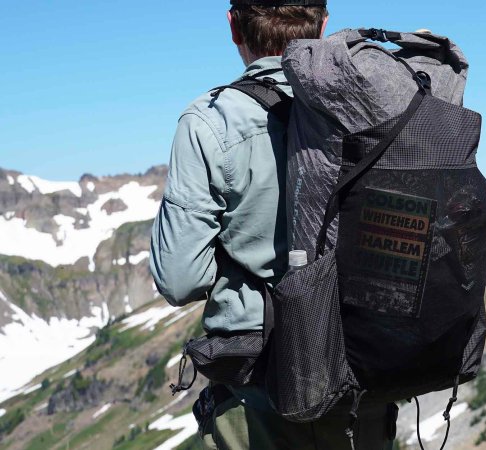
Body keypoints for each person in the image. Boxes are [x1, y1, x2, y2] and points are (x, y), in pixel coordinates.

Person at [150, 1, 398, 449]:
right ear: (324, 26)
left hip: (262, 394)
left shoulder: (212, 120)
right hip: (365, 388)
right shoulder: (376, 105)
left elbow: (178, 279)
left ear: (233, 27)